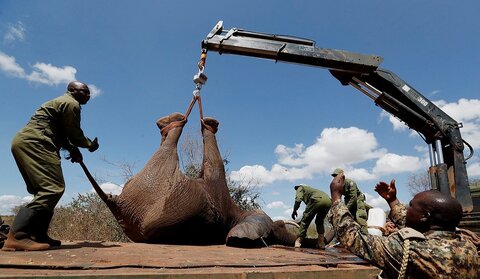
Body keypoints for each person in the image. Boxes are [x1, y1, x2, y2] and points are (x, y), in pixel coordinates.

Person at [2, 81, 99, 252]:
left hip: (27, 142)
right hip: (37, 142)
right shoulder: (70, 103)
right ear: (72, 91)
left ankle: (38, 235)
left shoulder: (61, 103)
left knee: (44, 190)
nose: (88, 96)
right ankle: (18, 237)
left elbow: (61, 134)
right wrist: (89, 145)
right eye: (84, 92)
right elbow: (74, 133)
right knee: (52, 188)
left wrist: (71, 149)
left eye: (89, 93)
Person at [329, 173, 479, 278]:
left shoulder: (412, 251)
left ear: (425, 216)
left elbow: (352, 236)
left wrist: (336, 197)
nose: (407, 209)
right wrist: (392, 201)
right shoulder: (468, 244)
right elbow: (419, 225)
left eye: (411, 206)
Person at [291, 184, 332, 249]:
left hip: (317, 200)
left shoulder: (300, 188)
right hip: (328, 201)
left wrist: (294, 210)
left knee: (305, 220)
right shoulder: (313, 191)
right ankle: (321, 243)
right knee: (319, 221)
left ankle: (299, 241)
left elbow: (298, 199)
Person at [331, 168, 368, 233]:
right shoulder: (337, 184)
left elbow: (354, 197)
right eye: (334, 176)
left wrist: (346, 209)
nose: (335, 177)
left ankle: (365, 234)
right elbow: (338, 198)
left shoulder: (350, 182)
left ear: (342, 175)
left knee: (359, 215)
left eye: (336, 175)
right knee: (348, 218)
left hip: (358, 199)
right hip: (348, 199)